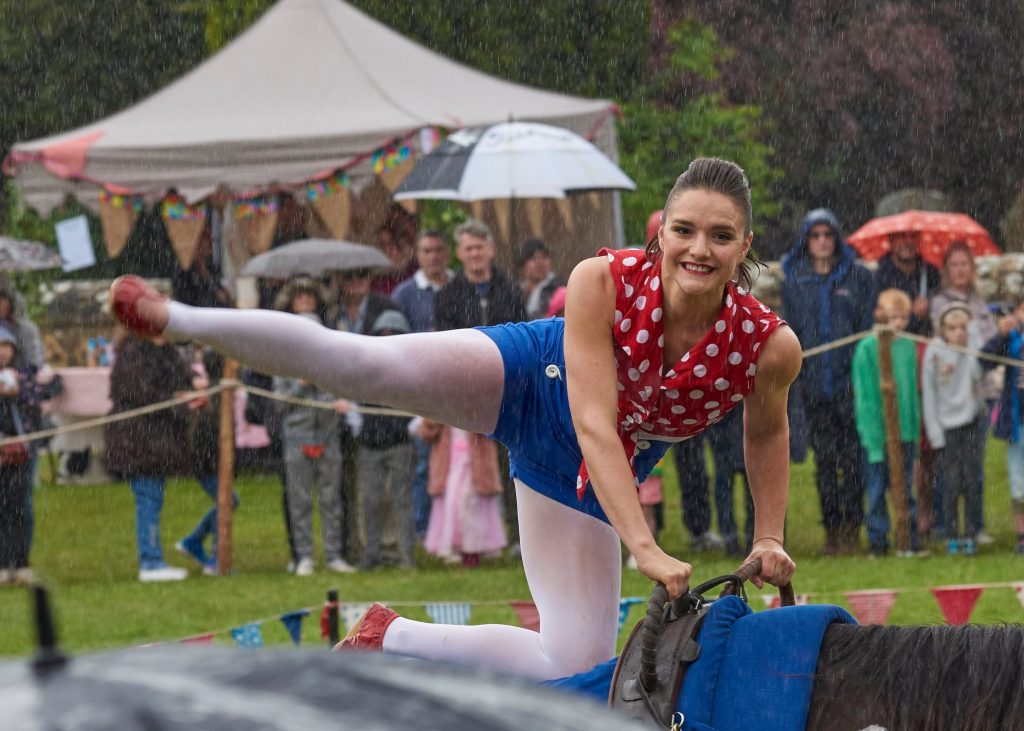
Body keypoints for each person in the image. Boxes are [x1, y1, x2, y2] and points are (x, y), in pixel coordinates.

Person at [108, 157, 799, 679]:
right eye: (683, 229)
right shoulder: (604, 279)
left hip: (579, 473)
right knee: (369, 365)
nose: (698, 249)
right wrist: (642, 545)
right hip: (535, 379)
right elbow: (594, 419)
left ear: (745, 246)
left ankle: (391, 634)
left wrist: (769, 534)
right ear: (661, 234)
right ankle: (178, 318)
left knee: (574, 660)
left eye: (720, 235)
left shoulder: (768, 346)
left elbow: (765, 430)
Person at [781, 209, 875, 555]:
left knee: (853, 459)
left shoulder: (857, 278)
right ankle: (832, 530)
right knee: (824, 462)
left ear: (836, 238)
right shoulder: (796, 281)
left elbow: (865, 330)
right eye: (815, 235)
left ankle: (854, 527)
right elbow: (791, 332)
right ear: (807, 240)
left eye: (827, 234)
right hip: (813, 386)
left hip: (852, 385)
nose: (822, 241)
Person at [434, 219, 526, 552]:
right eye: (468, 248)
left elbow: (523, 333)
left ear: (491, 249)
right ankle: (474, 539)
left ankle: (518, 535)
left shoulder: (510, 290)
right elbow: (444, 343)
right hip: (468, 391)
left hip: (511, 389)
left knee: (514, 465)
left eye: (480, 247)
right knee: (468, 471)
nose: (475, 254)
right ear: (460, 253)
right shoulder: (448, 295)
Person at [105, 331, 201, 582]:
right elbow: (141, 394)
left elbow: (182, 374)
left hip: (155, 441)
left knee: (153, 499)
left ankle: (153, 557)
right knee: (148, 498)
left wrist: (194, 382)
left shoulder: (166, 351)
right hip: (136, 439)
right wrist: (176, 400)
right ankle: (150, 561)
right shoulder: (133, 352)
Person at [273, 289, 354, 576]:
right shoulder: (281, 360)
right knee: (300, 501)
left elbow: (341, 388)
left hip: (329, 436)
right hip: (296, 439)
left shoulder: (331, 357)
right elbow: (279, 403)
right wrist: (300, 384)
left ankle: (334, 555)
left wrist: (339, 402)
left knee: (332, 500)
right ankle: (304, 556)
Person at [929, 242, 997, 544]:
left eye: (965, 264)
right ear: (947, 269)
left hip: (977, 396)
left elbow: (989, 345)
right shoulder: (940, 302)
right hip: (948, 404)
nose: (961, 270)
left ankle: (975, 526)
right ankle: (948, 527)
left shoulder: (982, 304)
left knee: (975, 471)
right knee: (950, 475)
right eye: (955, 264)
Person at [851, 289, 924, 558]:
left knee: (905, 488)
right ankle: (878, 541)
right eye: (893, 317)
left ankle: (910, 537)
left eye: (903, 317)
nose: (898, 324)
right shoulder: (867, 348)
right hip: (877, 436)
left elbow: (912, 395)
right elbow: (865, 397)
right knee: (876, 490)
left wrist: (913, 431)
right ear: (880, 315)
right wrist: (873, 436)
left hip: (905, 433)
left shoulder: (908, 346)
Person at [392, 230, 455, 537]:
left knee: (457, 464)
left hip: (457, 383)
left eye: (438, 250)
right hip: (419, 385)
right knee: (422, 463)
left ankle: (450, 530)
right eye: (427, 251)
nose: (433, 256)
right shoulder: (405, 293)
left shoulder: (459, 287)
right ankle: (421, 528)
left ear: (447, 253)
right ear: (418, 255)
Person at [347, 310, 417, 570]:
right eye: (382, 334)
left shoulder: (412, 369)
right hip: (370, 444)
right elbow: (355, 400)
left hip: (400, 443)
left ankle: (407, 556)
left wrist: (412, 426)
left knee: (402, 501)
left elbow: (421, 403)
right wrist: (357, 425)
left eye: (393, 334)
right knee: (370, 501)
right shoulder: (365, 368)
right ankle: (372, 554)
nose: (387, 338)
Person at [921, 302, 983, 555]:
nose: (958, 332)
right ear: (943, 329)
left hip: (971, 422)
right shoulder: (934, 352)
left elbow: (977, 375)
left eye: (963, 328)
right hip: (946, 426)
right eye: (953, 327)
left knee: (971, 480)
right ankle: (950, 534)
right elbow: (930, 395)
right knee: (949, 482)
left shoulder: (972, 350)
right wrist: (935, 434)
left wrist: (971, 343)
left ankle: (971, 532)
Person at [174, 347, 239, 575]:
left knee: (228, 502)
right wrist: (214, 465)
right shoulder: (216, 397)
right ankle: (215, 558)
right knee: (227, 503)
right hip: (207, 464)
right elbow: (207, 436)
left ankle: (194, 542)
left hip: (210, 462)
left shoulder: (219, 393)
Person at [419, 415, 507, 567]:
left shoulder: (479, 400)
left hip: (476, 461)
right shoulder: (441, 401)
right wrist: (438, 414)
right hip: (450, 462)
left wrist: (472, 414)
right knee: (452, 505)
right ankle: (455, 548)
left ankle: (472, 551)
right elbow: (426, 432)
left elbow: (493, 425)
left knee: (471, 506)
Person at [981, 295, 1024, 555]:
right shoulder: (1012, 337)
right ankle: (1022, 535)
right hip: (1017, 422)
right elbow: (984, 361)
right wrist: (1001, 334)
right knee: (1020, 483)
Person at [0, 326, 40, 586]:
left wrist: (19, 393)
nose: (2, 352)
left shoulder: (24, 373)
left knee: (20, 508)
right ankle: (3, 566)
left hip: (20, 452)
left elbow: (37, 400)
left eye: (6, 346)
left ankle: (21, 563)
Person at [873, 231, 941, 336]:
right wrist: (913, 315)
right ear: (890, 241)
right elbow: (878, 323)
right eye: (901, 236)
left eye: (913, 236)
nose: (908, 241)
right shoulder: (878, 277)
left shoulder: (932, 272)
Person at [516, 239, 566, 320]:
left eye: (544, 257)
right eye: (533, 258)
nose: (540, 263)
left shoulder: (560, 289)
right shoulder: (515, 290)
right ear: (522, 265)